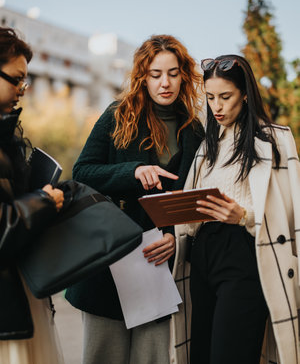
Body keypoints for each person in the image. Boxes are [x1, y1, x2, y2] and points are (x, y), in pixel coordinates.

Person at [66, 34, 205, 364]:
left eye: (173, 73)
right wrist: (132, 171)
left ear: (184, 74)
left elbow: (195, 199)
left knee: (153, 358)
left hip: (158, 266)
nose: (165, 83)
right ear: (143, 76)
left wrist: (176, 238)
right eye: (156, 74)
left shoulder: (195, 130)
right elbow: (82, 171)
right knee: (104, 357)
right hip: (111, 259)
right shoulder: (118, 114)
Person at [172, 54, 300, 364]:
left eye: (225, 96)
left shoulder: (275, 140)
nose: (216, 106)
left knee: (231, 355)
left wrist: (242, 215)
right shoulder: (208, 146)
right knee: (199, 353)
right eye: (211, 97)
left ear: (245, 94)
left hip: (245, 254)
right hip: (202, 256)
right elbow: (192, 205)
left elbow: (291, 212)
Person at [0, 27, 65, 364]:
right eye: (16, 79)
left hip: (18, 294)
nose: (22, 90)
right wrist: (43, 201)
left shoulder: (5, 133)